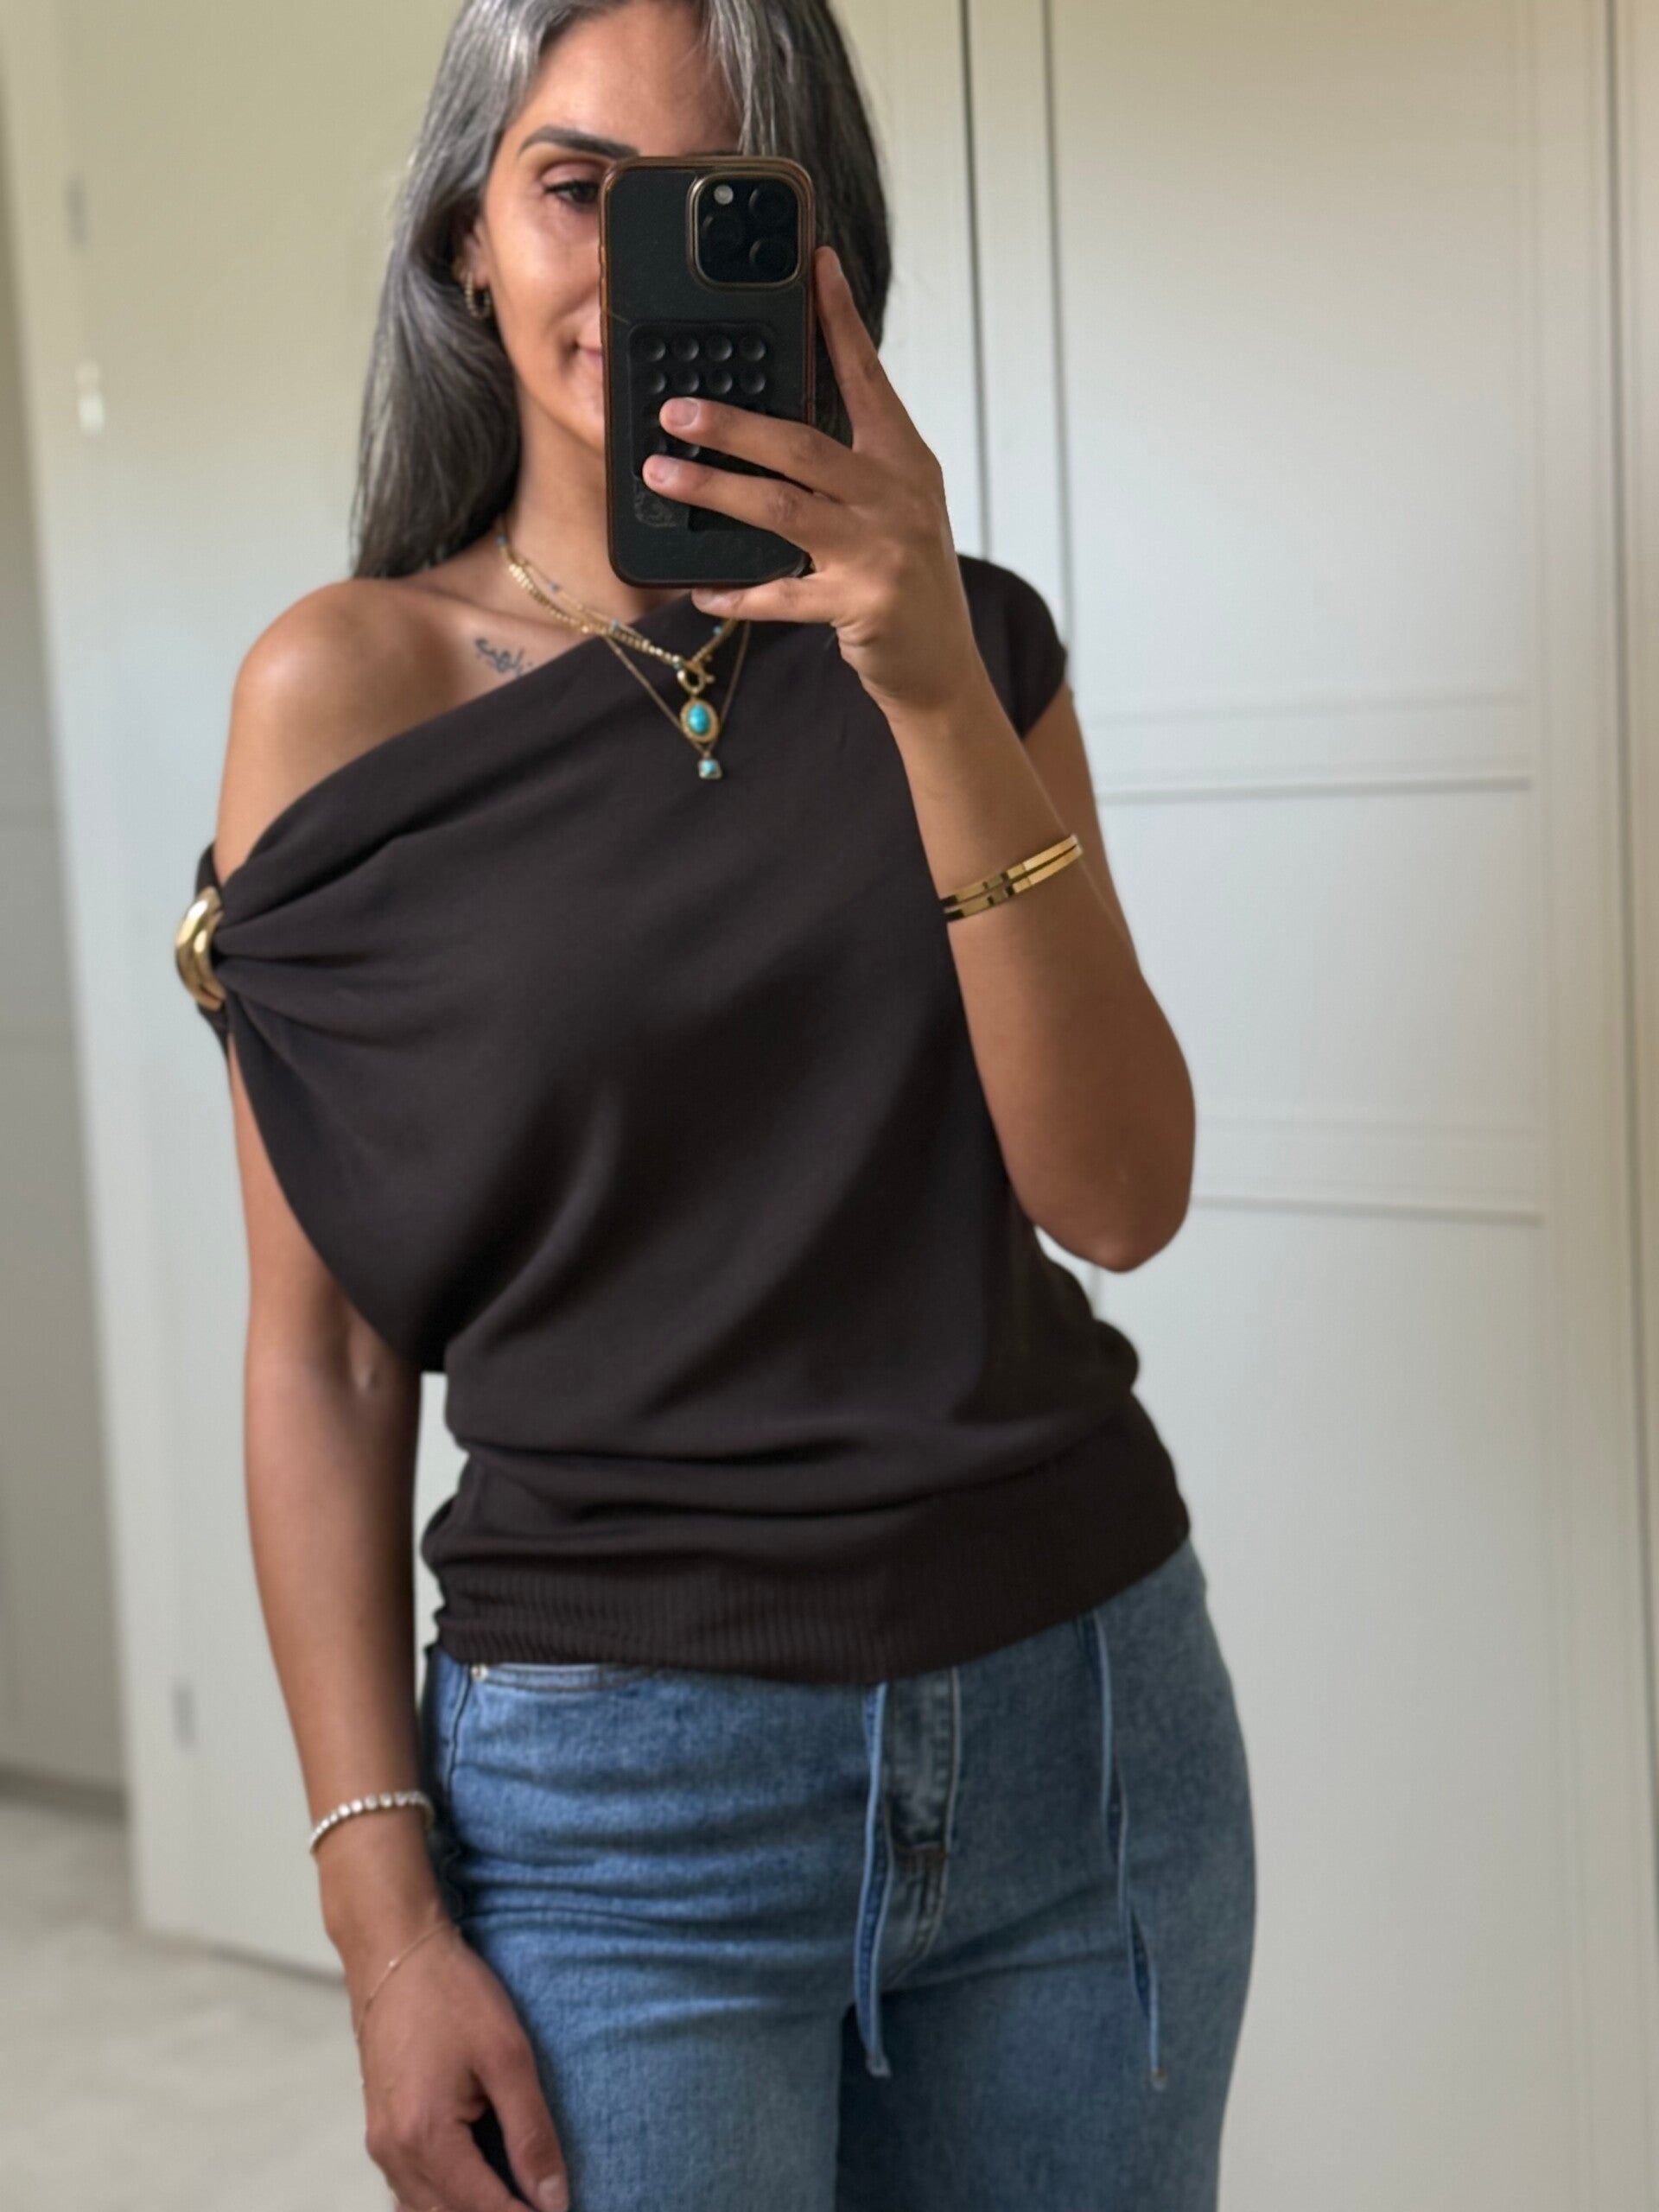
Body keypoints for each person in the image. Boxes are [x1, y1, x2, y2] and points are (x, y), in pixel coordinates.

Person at [173, 1, 1255, 2206]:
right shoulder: (343, 692)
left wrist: (927, 681)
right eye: (576, 188)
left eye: (718, 201)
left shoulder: (968, 644)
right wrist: (384, 1927)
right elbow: (328, 1348)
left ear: (814, 250)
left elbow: (1121, 1192)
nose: (631, 263)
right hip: (616, 1803)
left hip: (1082, 1728)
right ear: (467, 237)